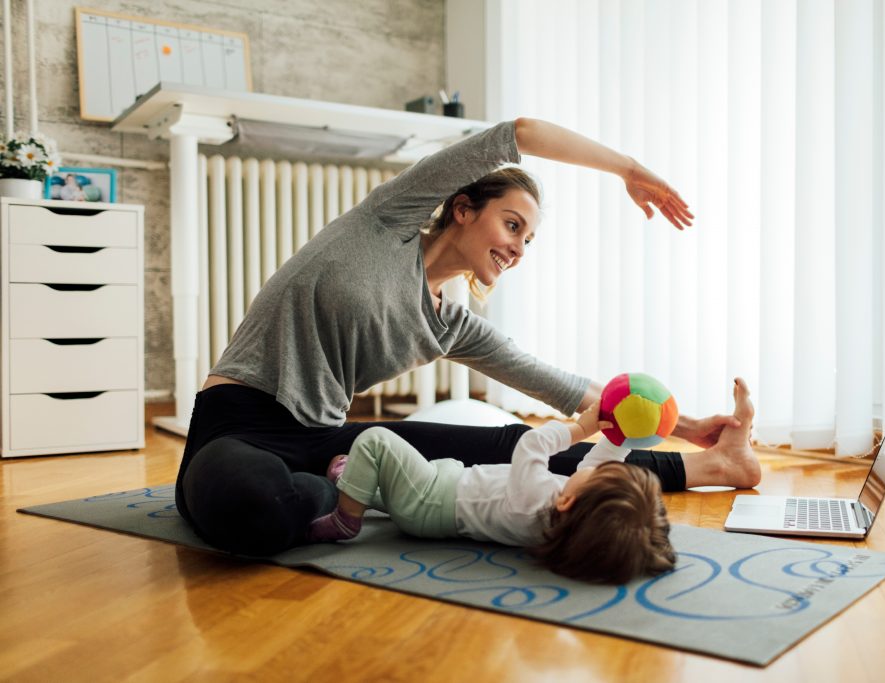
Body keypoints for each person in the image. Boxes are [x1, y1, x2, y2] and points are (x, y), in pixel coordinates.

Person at [177, 118, 761, 557]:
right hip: (239, 424)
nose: (517, 249)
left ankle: (715, 468)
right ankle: (335, 492)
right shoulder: (387, 224)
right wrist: (628, 169)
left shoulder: (447, 324)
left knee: (520, 447)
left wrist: (683, 427)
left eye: (528, 240)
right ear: (461, 208)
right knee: (249, 504)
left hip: (327, 438)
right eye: (512, 225)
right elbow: (523, 132)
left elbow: (566, 390)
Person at [307, 401, 676, 585]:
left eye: (603, 474)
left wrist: (579, 429)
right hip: (440, 500)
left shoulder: (534, 499)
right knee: (400, 470)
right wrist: (620, 439)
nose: (598, 468)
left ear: (568, 500)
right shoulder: (564, 516)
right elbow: (594, 469)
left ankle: (346, 518)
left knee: (373, 441)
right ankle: (356, 485)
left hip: (431, 499)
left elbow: (531, 445)